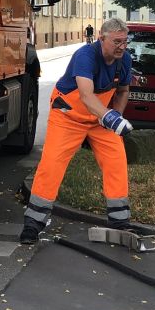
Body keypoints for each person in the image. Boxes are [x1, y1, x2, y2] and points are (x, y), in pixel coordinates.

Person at [20, 18, 134, 244]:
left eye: (125, 41)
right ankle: (33, 223)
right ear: (102, 39)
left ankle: (120, 222)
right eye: (117, 42)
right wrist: (108, 116)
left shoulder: (125, 60)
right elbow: (85, 95)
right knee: (52, 165)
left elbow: (122, 91)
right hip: (68, 116)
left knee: (116, 161)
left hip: (99, 119)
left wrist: (116, 115)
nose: (122, 46)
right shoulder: (85, 56)